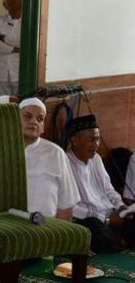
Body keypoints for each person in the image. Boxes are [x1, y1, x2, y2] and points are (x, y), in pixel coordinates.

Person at [66, 114, 135, 253]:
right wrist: (106, 220)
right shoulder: (64, 163)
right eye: (92, 140)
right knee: (92, 230)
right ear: (75, 140)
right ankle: (121, 242)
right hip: (93, 220)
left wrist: (121, 207)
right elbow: (70, 208)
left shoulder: (96, 159)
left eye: (97, 139)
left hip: (113, 215)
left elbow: (109, 190)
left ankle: (121, 242)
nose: (96, 145)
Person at [19, 98, 79, 220]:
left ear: (43, 127)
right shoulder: (2, 150)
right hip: (10, 226)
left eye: (39, 119)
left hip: (47, 229)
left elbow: (65, 204)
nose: (33, 122)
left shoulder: (56, 153)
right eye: (27, 117)